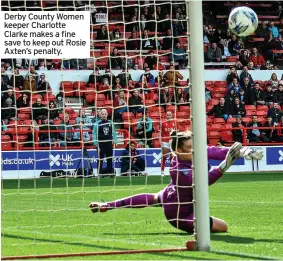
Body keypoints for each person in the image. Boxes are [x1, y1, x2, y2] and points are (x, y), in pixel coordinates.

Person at [89, 132, 262, 233]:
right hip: (178, 213)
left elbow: (216, 151)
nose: (194, 150)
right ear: (178, 150)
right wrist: (224, 166)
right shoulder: (177, 169)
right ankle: (196, 239)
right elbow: (202, 182)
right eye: (189, 147)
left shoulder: (195, 153)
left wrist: (244, 151)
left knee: (156, 197)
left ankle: (107, 206)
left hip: (171, 193)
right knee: (223, 227)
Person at [93, 109, 118, 176]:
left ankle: (110, 173)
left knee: (109, 159)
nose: (104, 115)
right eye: (102, 114)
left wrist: (115, 140)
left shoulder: (110, 123)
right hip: (100, 144)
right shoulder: (97, 124)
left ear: (107, 114)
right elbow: (94, 133)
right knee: (100, 159)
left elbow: (114, 132)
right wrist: (95, 142)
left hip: (109, 143)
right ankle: (99, 173)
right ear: (100, 115)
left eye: (105, 114)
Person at [160, 111, 177, 175]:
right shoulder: (163, 123)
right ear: (165, 116)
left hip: (172, 141)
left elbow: (176, 132)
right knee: (164, 156)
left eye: (170, 115)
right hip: (165, 141)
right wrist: (160, 142)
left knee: (171, 157)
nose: (169, 116)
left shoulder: (174, 123)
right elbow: (160, 133)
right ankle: (162, 171)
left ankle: (171, 171)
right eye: (167, 115)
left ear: (171, 115)